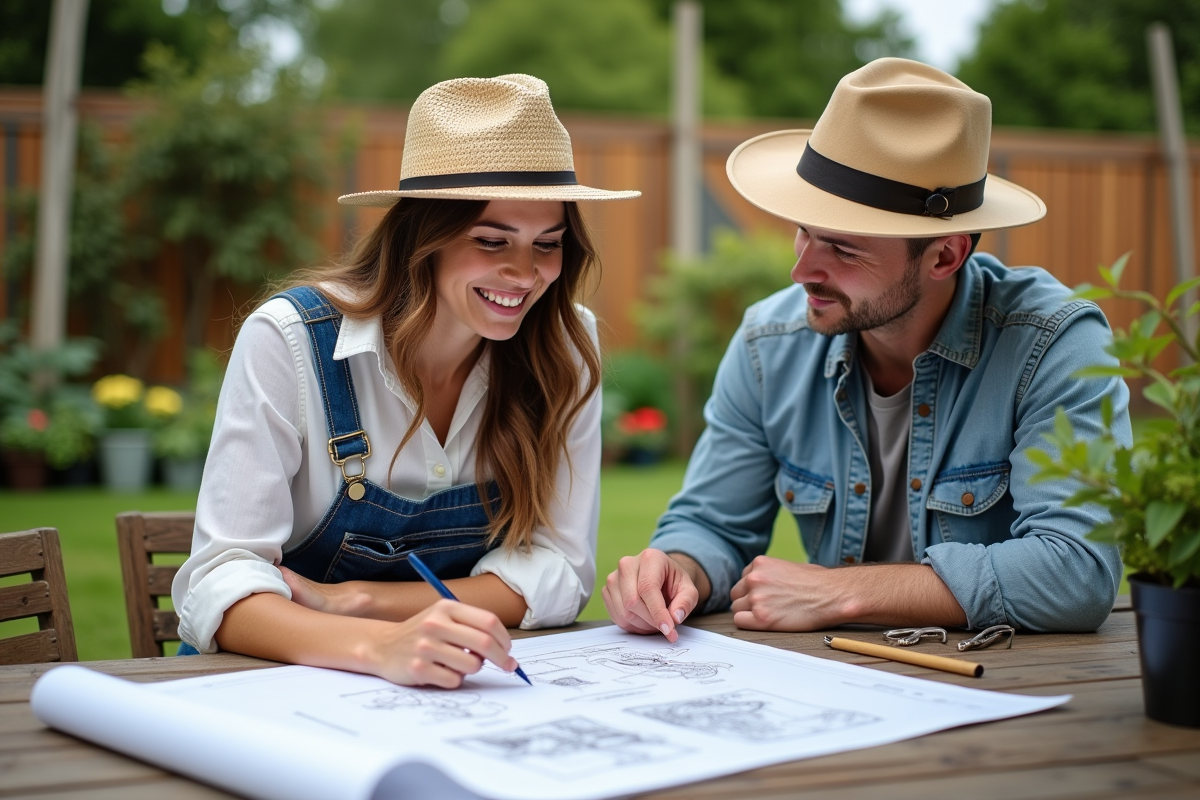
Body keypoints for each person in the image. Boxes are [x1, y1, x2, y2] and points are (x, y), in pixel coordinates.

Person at [603, 58, 1129, 642]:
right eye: (803, 230)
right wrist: (678, 568)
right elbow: (713, 523)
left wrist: (842, 591)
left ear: (945, 257)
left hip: (1009, 692)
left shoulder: (1052, 343)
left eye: (843, 250)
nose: (802, 269)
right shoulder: (767, 344)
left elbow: (1077, 571)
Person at [172, 74, 639, 686]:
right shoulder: (289, 340)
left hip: (451, 685)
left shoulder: (565, 346)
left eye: (547, 245)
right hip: (268, 683)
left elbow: (557, 571)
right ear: (424, 238)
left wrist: (359, 601)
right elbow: (221, 581)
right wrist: (377, 647)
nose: (524, 274)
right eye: (491, 240)